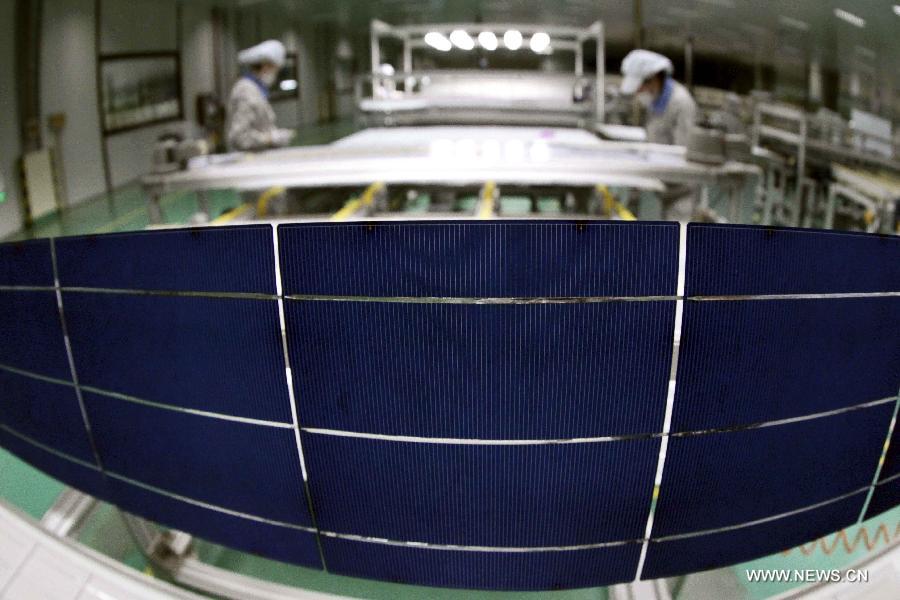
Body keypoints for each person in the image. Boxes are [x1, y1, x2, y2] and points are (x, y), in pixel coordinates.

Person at [226, 40, 295, 151]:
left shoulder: (257, 90)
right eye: (275, 70)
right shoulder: (245, 90)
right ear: (265, 67)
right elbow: (239, 137)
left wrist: (274, 135)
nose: (275, 75)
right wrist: (270, 138)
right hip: (247, 162)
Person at [620, 49, 697, 146]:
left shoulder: (681, 103)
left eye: (640, 89)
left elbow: (682, 150)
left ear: (654, 79)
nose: (638, 93)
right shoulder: (655, 98)